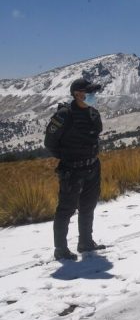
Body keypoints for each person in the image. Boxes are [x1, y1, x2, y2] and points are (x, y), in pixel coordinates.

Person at [44, 78, 106, 260]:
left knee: (88, 206)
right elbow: (50, 143)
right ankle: (61, 249)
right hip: (72, 170)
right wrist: (67, 157)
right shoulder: (64, 115)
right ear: (77, 94)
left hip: (93, 167)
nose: (93, 96)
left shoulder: (94, 114)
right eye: (89, 93)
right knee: (66, 209)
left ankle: (85, 242)